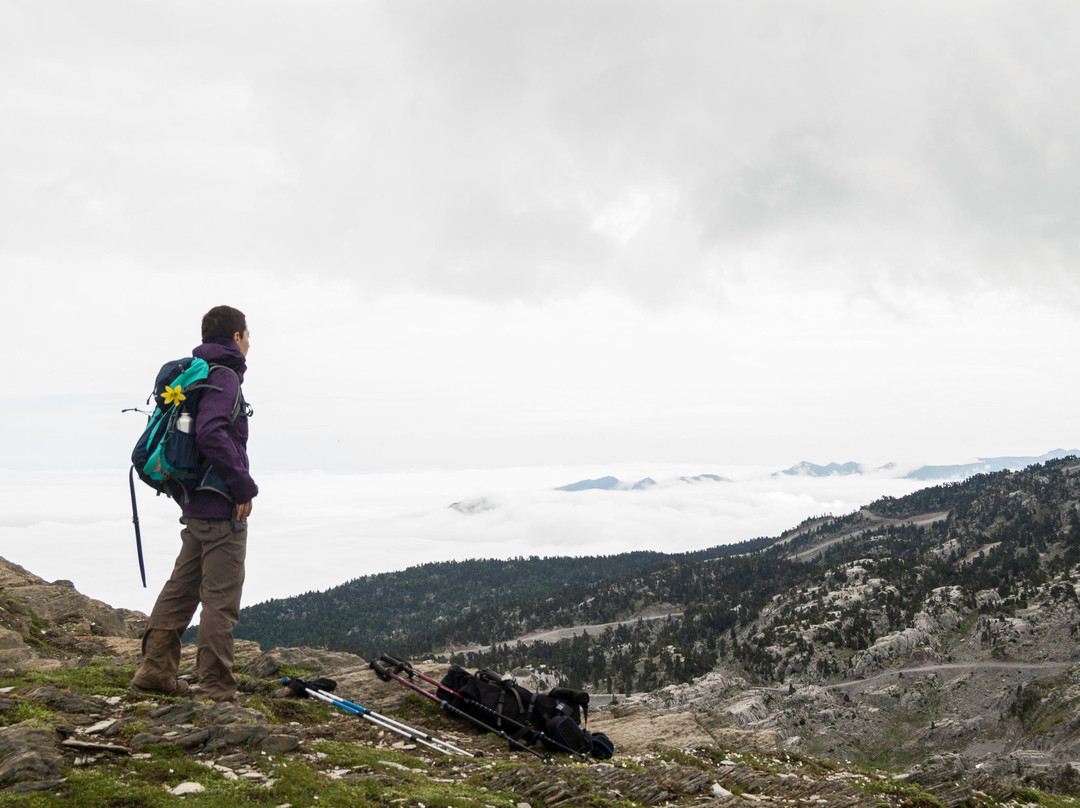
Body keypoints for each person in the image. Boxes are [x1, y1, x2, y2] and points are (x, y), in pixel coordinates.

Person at [130, 305, 258, 703]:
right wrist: (243, 487)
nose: (250, 342)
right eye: (248, 334)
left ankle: (154, 671)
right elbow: (210, 434)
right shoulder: (224, 378)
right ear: (236, 337)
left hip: (194, 503)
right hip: (221, 508)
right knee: (220, 601)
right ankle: (216, 689)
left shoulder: (193, 375)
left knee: (181, 590)